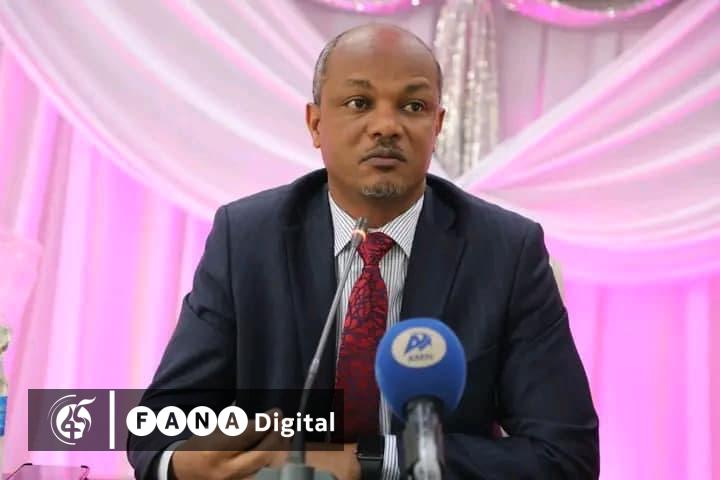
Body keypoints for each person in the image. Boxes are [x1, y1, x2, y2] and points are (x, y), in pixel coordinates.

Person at [127, 23, 599, 480]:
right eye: (359, 103)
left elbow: (565, 454)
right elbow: (159, 421)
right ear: (316, 123)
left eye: (413, 106)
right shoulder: (248, 238)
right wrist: (182, 463)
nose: (387, 126)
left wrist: (370, 461)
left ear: (436, 125)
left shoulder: (505, 253)